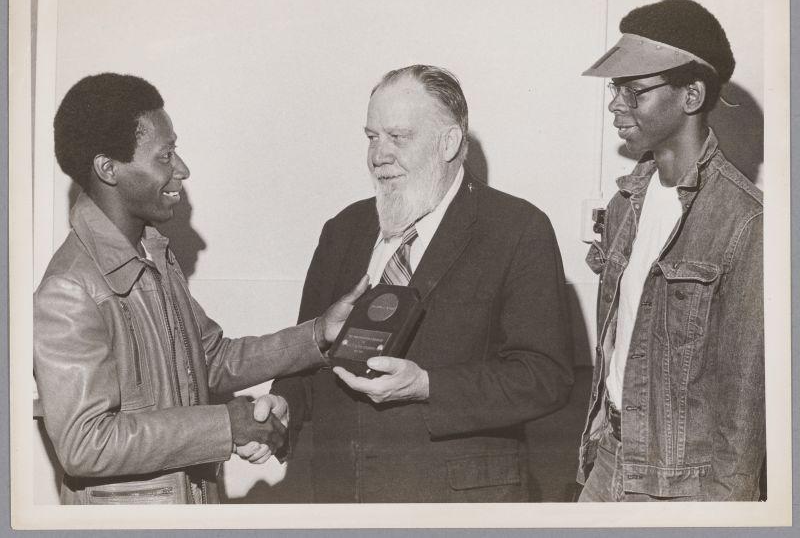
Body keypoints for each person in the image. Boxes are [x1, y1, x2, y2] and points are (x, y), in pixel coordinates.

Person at [33, 73, 367, 504]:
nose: (182, 170)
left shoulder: (153, 256)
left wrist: (318, 333)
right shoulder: (69, 288)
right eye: (165, 156)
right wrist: (227, 425)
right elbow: (85, 444)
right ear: (108, 168)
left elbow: (212, 359)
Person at [272, 64, 574, 502]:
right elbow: (309, 355)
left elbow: (544, 377)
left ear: (449, 142)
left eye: (398, 137)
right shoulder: (343, 229)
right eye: (372, 137)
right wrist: (285, 407)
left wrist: (428, 384)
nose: (379, 155)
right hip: (342, 499)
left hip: (455, 505)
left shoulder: (517, 228)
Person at [576, 0, 764, 501]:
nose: (616, 103)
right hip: (607, 458)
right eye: (616, 89)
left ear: (691, 95)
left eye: (633, 91)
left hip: (680, 487)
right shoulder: (624, 203)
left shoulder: (746, 221)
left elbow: (743, 412)